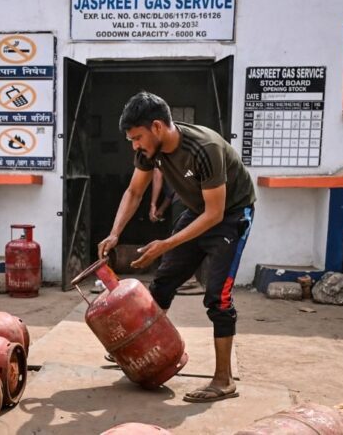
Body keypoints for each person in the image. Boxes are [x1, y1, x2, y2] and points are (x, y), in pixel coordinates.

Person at [98, 91, 256, 403]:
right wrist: (115, 232)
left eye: (138, 137)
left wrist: (165, 244)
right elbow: (134, 190)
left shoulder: (204, 148)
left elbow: (216, 214)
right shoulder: (148, 151)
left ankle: (224, 380)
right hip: (199, 211)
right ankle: (144, 353)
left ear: (157, 127)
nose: (135, 146)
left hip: (231, 215)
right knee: (161, 285)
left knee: (218, 298)